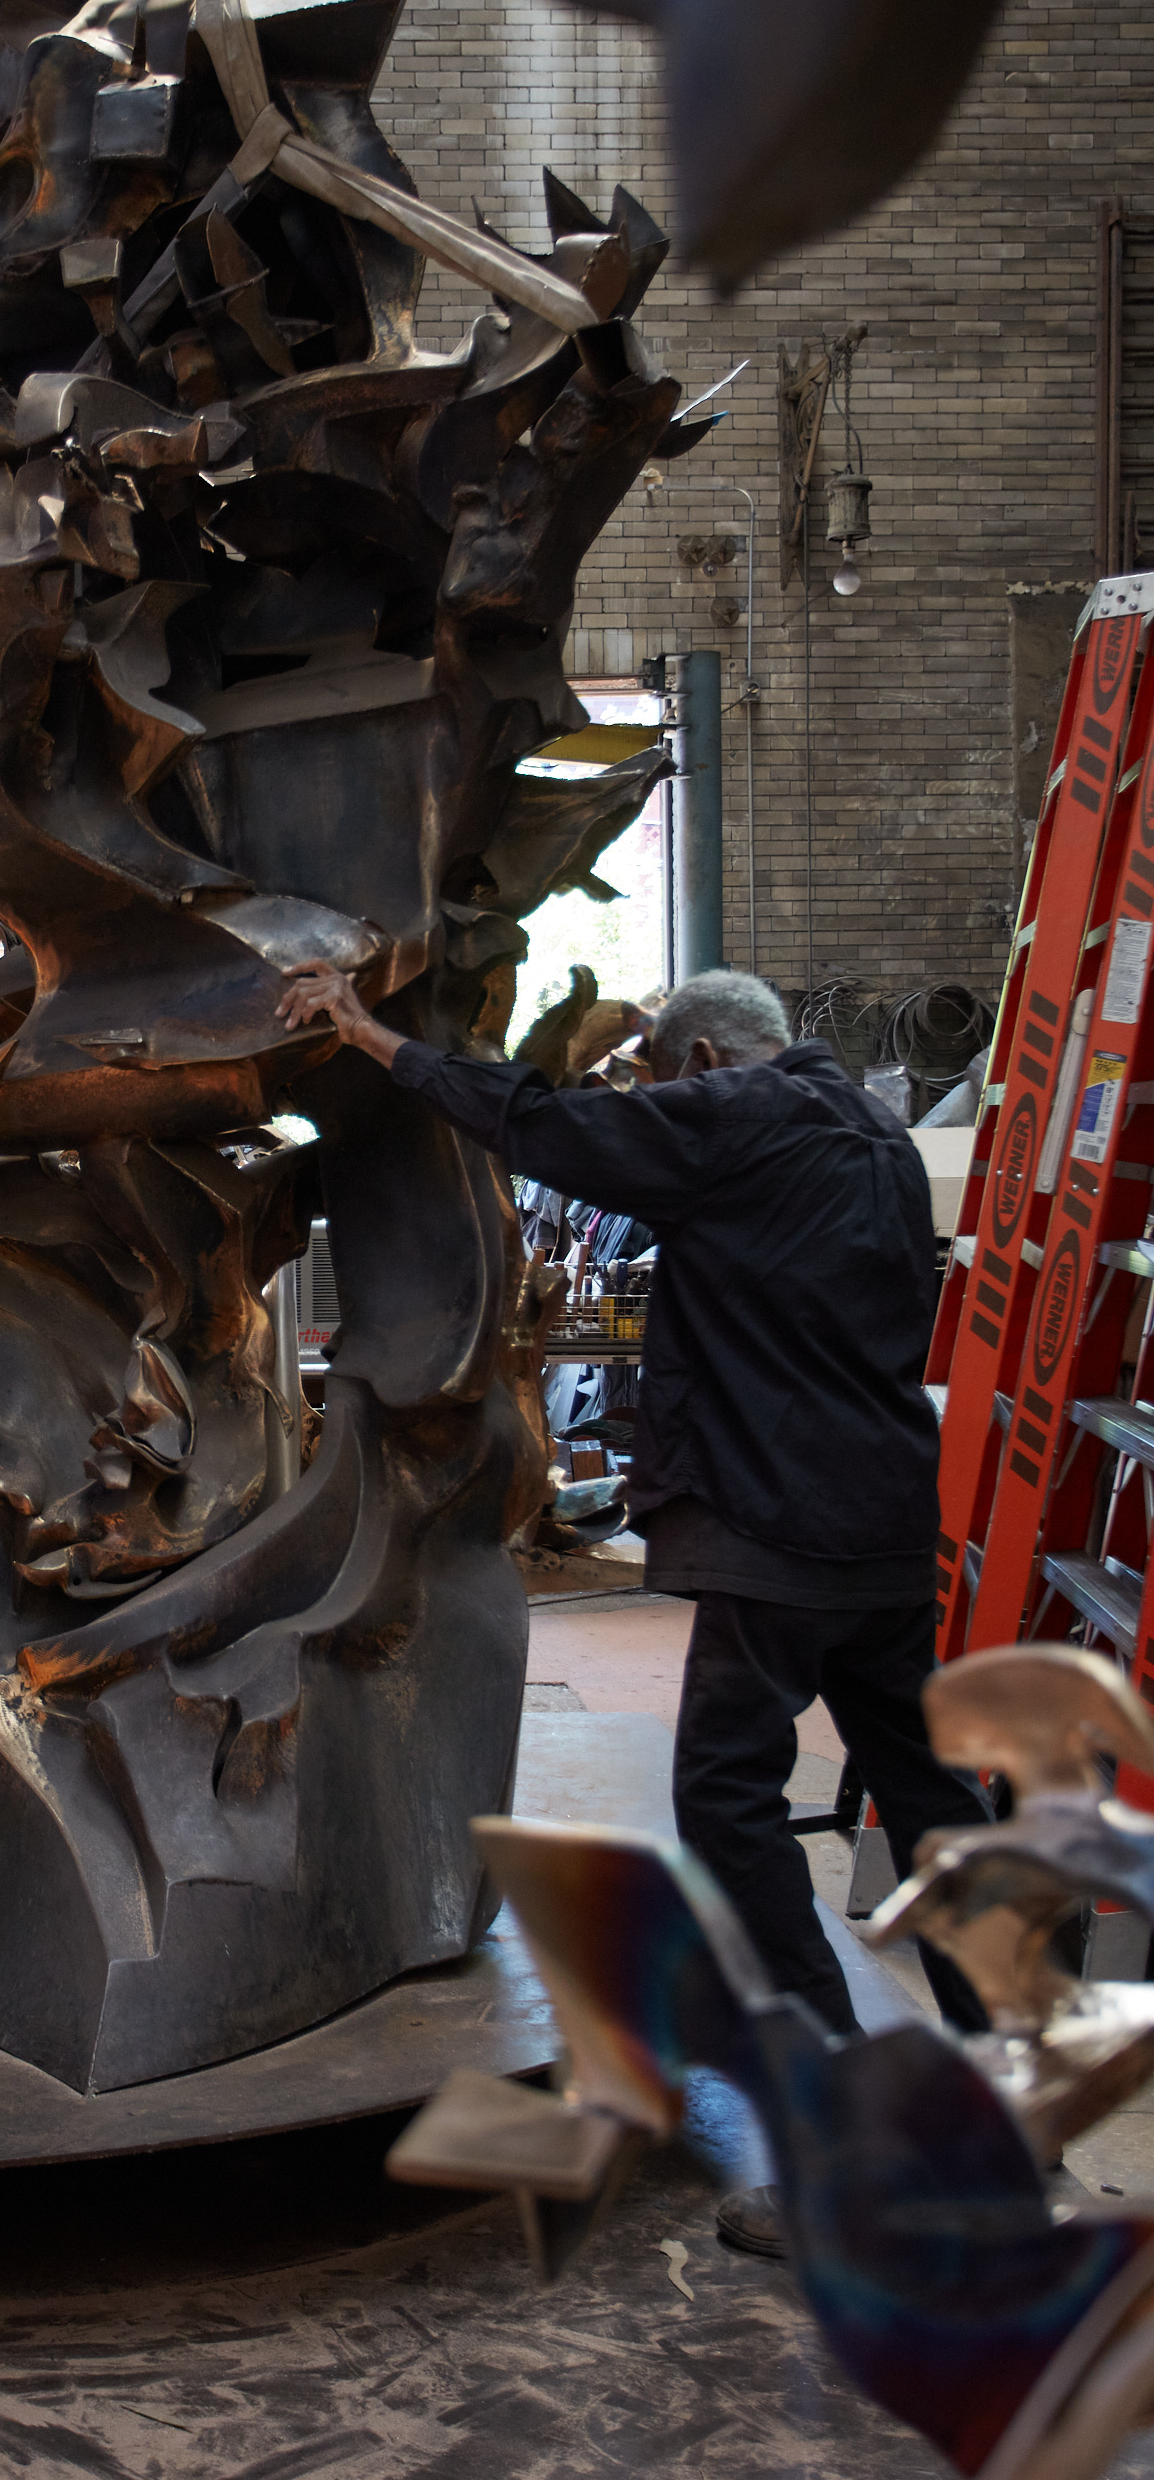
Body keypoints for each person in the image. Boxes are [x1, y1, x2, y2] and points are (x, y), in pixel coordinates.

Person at [275, 960, 990, 2257]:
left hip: (776, 1528)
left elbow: (544, 1125)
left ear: (706, 1065)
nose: (659, 1100)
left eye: (662, 1078)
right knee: (932, 1798)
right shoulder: (880, 1135)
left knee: (727, 1805)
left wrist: (372, 1038)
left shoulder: (732, 1121)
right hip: (884, 1520)